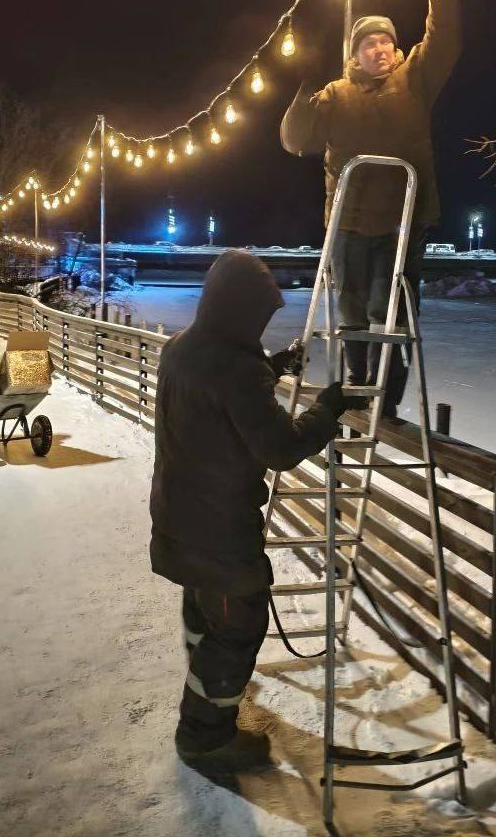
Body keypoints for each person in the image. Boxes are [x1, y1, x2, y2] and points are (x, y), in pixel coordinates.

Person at [150, 249, 352, 770]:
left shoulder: (181, 349)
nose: (262, 322)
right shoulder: (236, 369)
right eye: (258, 315)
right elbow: (281, 448)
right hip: (218, 530)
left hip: (178, 515)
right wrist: (324, 412)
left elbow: (221, 391)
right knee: (237, 628)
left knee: (205, 615)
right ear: (238, 310)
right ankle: (202, 732)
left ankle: (207, 692)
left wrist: (271, 367)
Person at [280, 0, 461, 419]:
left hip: (404, 222)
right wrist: (301, 92)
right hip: (348, 222)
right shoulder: (337, 94)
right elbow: (296, 141)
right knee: (352, 311)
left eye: (386, 41)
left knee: (392, 312)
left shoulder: (414, 79)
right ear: (355, 53)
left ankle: (388, 401)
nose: (379, 48)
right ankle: (357, 386)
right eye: (369, 43)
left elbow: (445, 40)